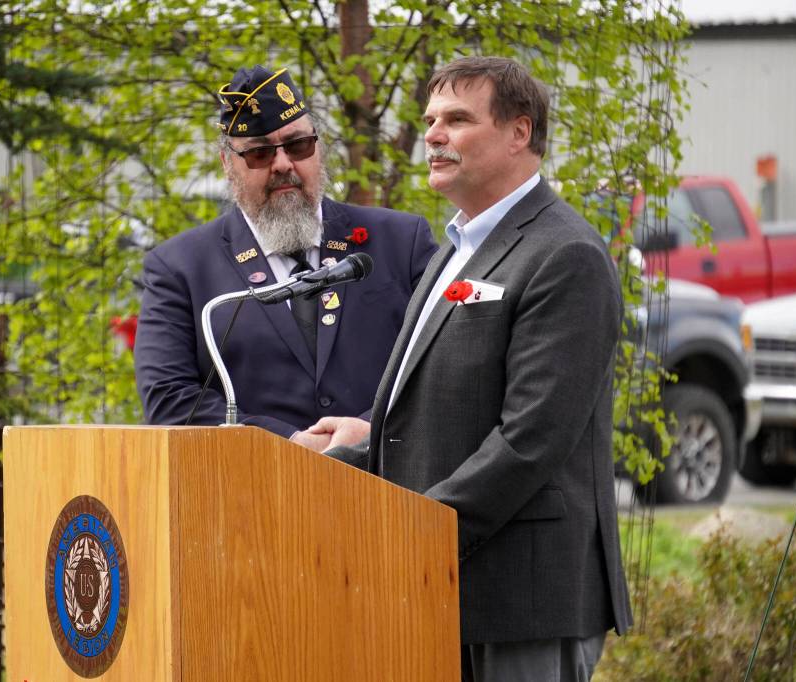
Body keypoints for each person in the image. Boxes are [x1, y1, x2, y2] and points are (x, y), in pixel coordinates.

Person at [310, 56, 632, 681]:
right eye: (431, 119)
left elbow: (530, 438)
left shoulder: (565, 255)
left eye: (457, 119)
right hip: (443, 588)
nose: (432, 134)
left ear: (519, 132)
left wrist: (416, 534)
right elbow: (442, 413)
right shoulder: (456, 249)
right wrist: (346, 454)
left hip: (523, 601)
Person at [134, 65, 437, 449]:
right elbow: (169, 398)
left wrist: (368, 430)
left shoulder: (399, 240)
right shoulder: (180, 267)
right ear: (229, 165)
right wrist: (288, 444)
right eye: (259, 153)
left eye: (297, 146)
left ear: (318, 148)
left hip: (389, 484)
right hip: (255, 495)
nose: (282, 165)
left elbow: (440, 361)